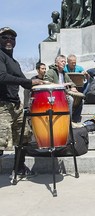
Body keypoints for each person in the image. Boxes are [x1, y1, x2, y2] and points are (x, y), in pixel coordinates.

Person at [0, 27, 44, 176]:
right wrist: (28, 82)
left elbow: (25, 82)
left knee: (23, 137)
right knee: (1, 141)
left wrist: (40, 84)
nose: (9, 41)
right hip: (2, 106)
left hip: (16, 106)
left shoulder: (14, 62)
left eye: (12, 38)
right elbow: (2, 77)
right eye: (5, 37)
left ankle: (19, 168)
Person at [44, 54, 83, 123]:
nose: (64, 63)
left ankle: (75, 120)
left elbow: (71, 82)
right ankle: (69, 122)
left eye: (65, 62)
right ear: (56, 63)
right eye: (62, 61)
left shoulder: (64, 73)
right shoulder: (51, 72)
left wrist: (73, 87)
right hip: (53, 95)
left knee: (80, 100)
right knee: (70, 99)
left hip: (63, 94)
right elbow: (47, 83)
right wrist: (61, 85)